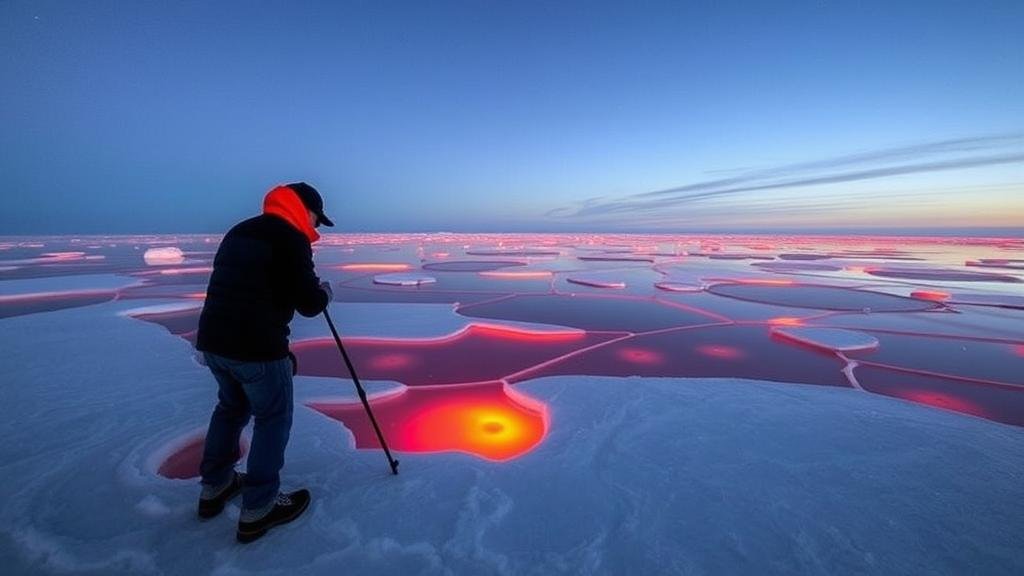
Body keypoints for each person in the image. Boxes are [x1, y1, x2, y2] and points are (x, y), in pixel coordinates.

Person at [194, 182, 334, 543]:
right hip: (256, 349)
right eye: (317, 219)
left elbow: (245, 290)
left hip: (214, 343)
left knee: (230, 409)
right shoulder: (290, 238)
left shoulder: (240, 230)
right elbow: (308, 302)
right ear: (306, 209)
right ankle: (259, 507)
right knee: (272, 419)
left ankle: (216, 486)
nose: (316, 228)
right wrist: (324, 293)